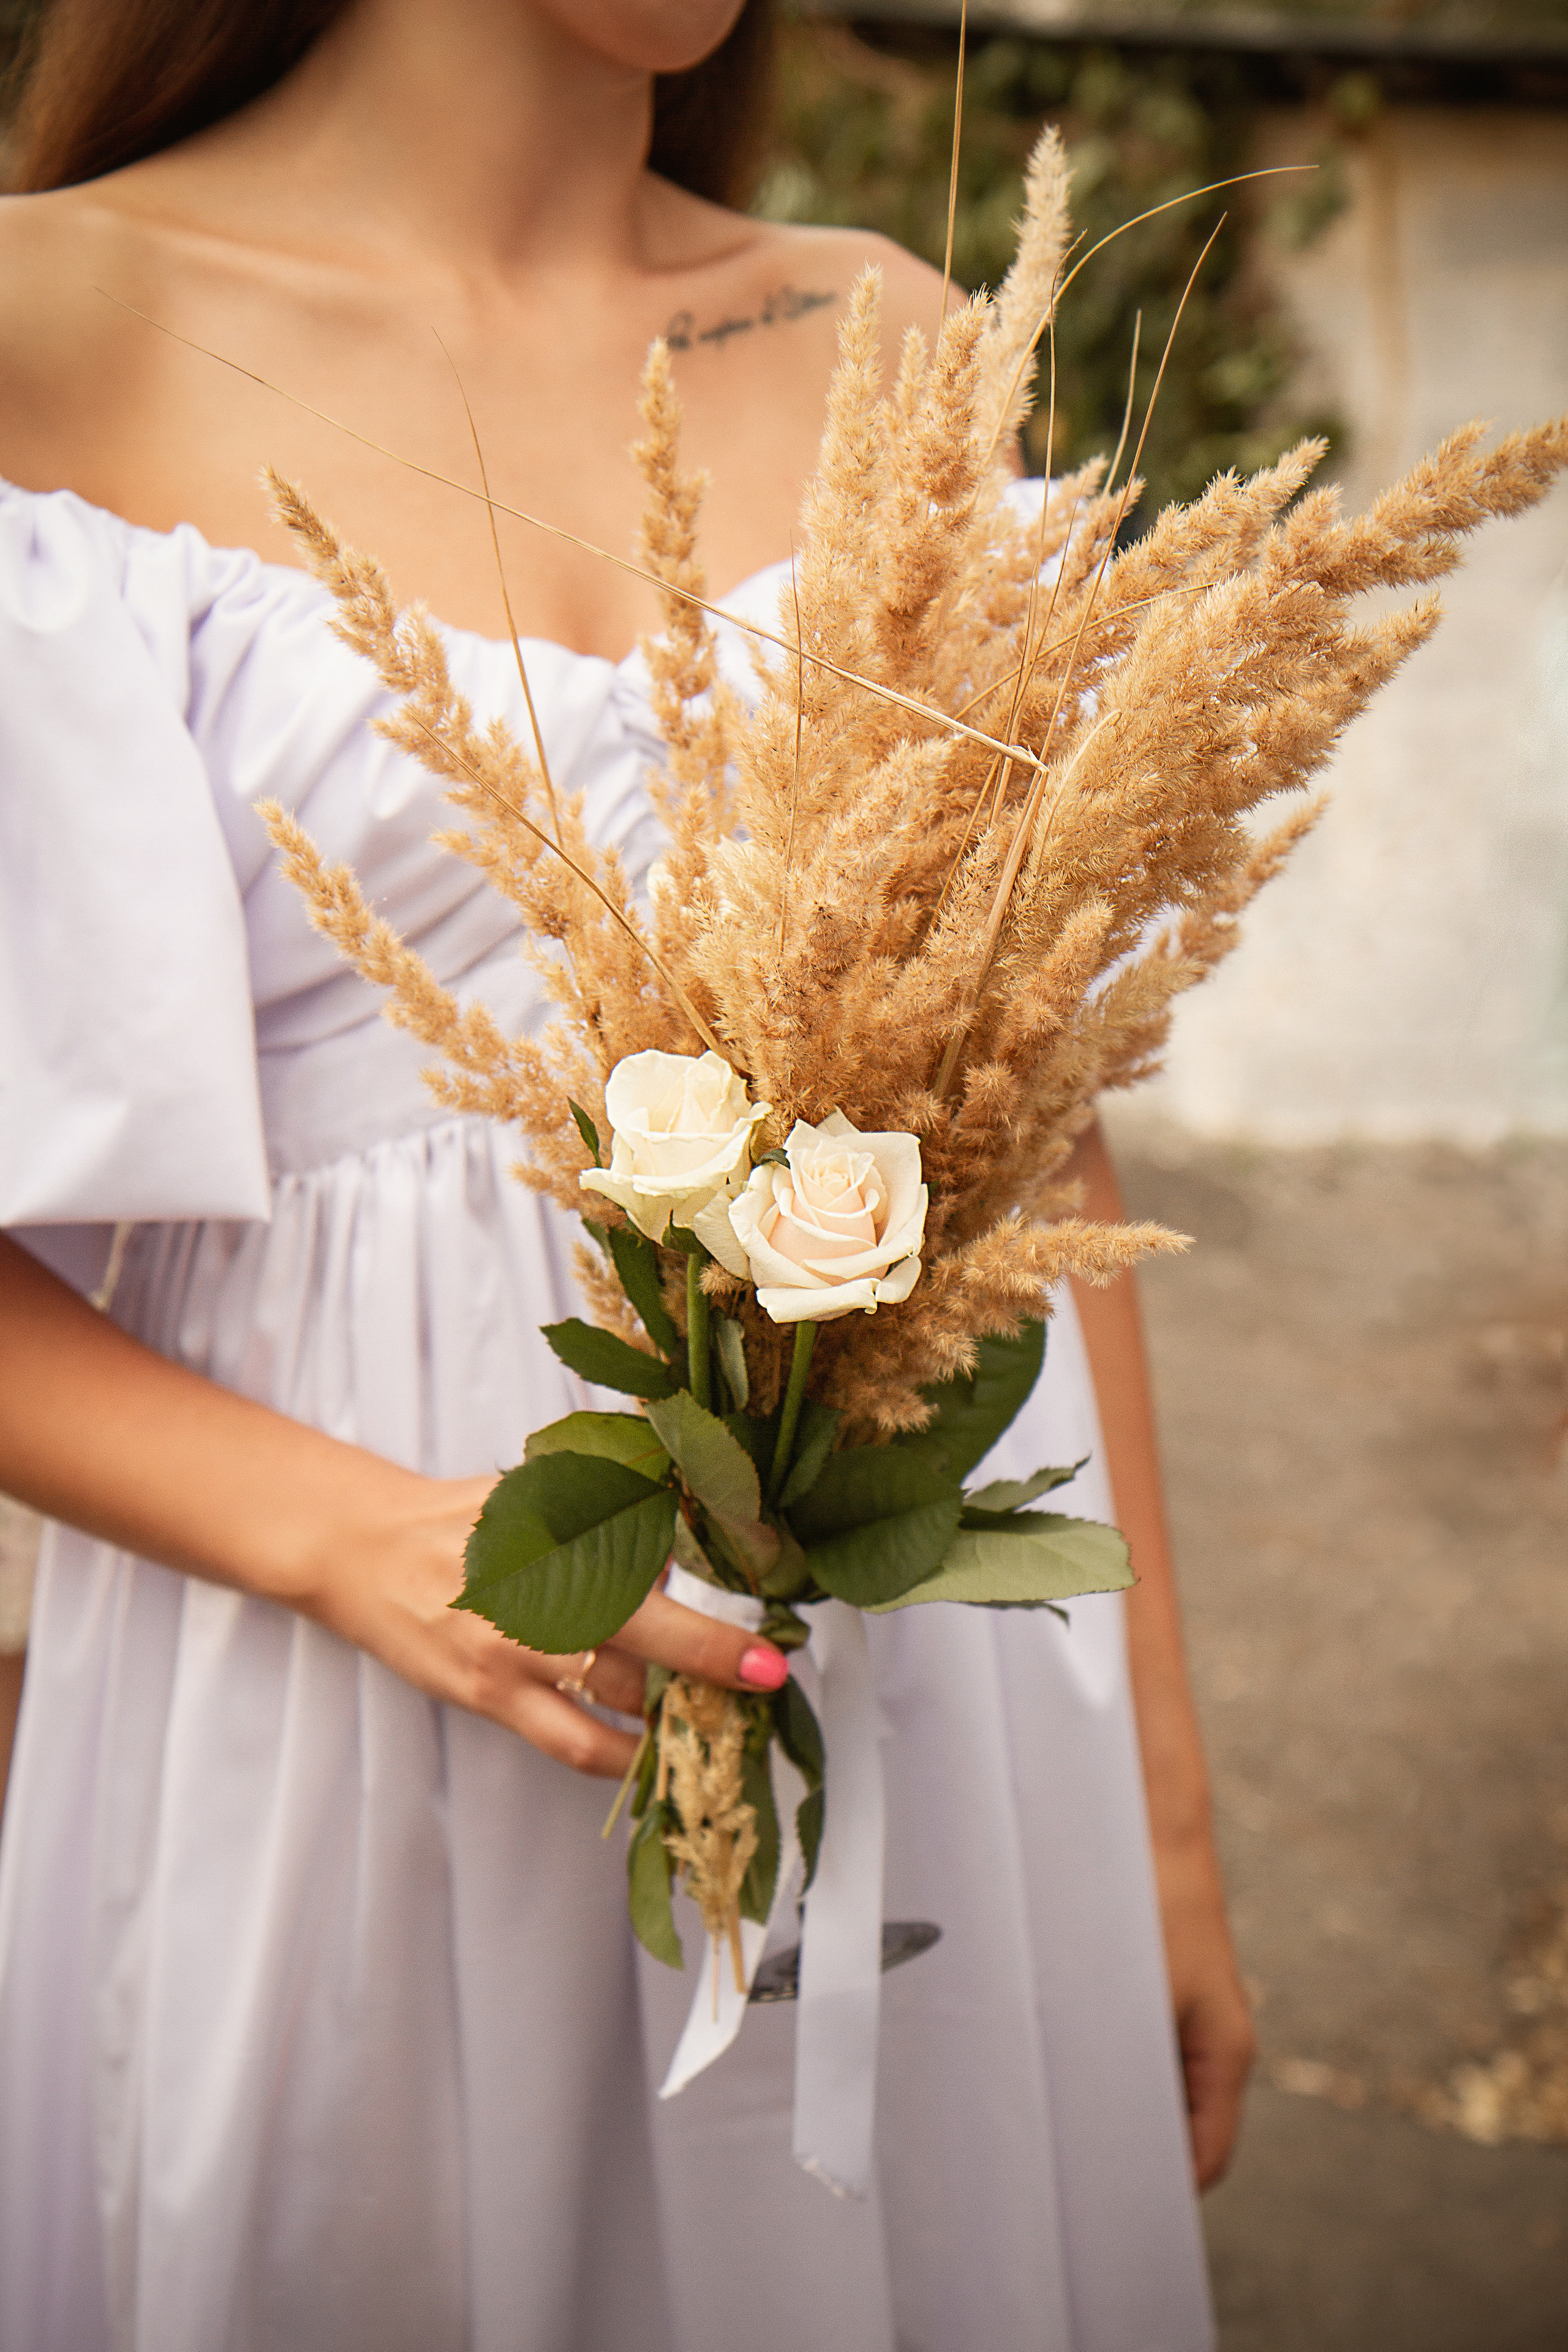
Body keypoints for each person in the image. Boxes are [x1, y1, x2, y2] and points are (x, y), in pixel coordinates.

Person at [0, 2, 1254, 2344]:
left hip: (936, 1718)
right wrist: (373, 1545)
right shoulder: (41, 327)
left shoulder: (876, 320)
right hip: (344, 1714)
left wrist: (1168, 1830)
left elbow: (1033, 1121)